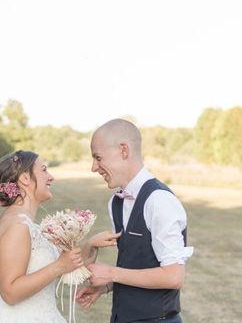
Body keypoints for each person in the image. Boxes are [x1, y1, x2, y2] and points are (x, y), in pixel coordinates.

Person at [76, 119, 194, 323]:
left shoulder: (159, 200)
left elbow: (173, 276)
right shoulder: (115, 203)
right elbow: (137, 265)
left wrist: (111, 273)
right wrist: (105, 286)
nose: (94, 167)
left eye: (98, 157)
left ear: (123, 150)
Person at [0, 150, 84, 322]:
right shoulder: (18, 226)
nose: (50, 177)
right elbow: (10, 292)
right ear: (24, 178)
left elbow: (59, 267)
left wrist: (92, 246)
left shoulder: (26, 224)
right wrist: (58, 266)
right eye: (44, 170)